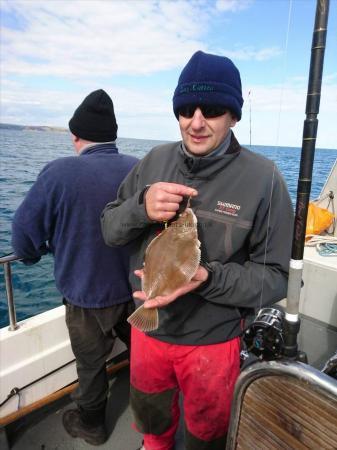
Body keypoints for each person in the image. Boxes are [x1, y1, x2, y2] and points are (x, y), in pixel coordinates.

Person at [101, 51, 294, 450]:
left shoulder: (265, 179)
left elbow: (275, 276)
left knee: (207, 434)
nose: (197, 120)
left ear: (234, 115)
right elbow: (109, 229)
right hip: (148, 332)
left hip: (213, 341)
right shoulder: (153, 160)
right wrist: (141, 206)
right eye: (187, 108)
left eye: (214, 108)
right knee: (153, 429)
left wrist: (207, 278)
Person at [11, 89, 138, 446]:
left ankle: (93, 426)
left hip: (86, 296)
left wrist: (34, 255)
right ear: (112, 135)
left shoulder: (59, 172)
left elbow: (23, 233)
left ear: (76, 136)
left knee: (91, 366)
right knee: (144, 354)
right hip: (135, 291)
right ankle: (153, 412)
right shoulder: (137, 168)